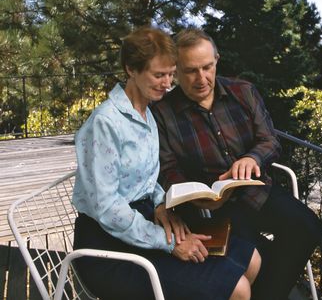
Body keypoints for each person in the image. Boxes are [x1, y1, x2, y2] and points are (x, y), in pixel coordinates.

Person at [72, 26, 261, 300]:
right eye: (159, 75)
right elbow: (107, 208)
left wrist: (161, 203)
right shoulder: (105, 123)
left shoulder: (147, 114)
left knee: (252, 259)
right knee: (238, 289)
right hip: (108, 247)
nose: (168, 83)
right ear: (131, 70)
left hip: (148, 221)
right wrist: (168, 243)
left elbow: (147, 179)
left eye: (171, 74)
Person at [151, 28, 322, 300]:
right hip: (211, 210)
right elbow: (167, 168)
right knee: (255, 256)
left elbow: (270, 141)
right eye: (190, 71)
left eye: (207, 67)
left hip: (256, 191)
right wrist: (195, 198)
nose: (201, 78)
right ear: (176, 71)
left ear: (217, 59)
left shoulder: (243, 92)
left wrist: (251, 158)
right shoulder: (162, 112)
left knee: (308, 227)